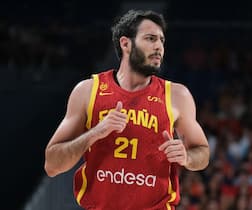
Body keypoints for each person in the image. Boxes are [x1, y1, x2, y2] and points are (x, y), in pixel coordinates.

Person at [44, 9, 210, 210]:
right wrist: (95, 132)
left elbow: (202, 152)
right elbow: (52, 165)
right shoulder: (88, 91)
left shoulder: (177, 95)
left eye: (161, 40)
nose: (159, 46)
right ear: (126, 43)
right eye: (150, 38)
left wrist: (187, 157)